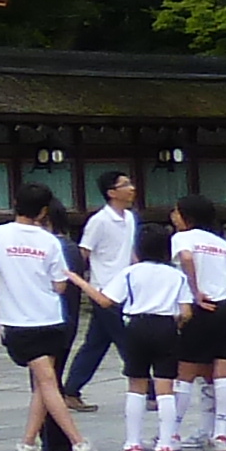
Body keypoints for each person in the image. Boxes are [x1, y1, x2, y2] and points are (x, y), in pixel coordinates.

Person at [0, 182, 88, 451]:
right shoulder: (50, 241)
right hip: (50, 318)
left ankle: (73, 442)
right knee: (46, 381)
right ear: (42, 211)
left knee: (45, 382)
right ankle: (34, 442)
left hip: (17, 319)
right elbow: (60, 285)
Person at [165, 198, 226, 451]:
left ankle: (171, 433)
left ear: (186, 216)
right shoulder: (222, 243)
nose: (173, 215)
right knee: (221, 374)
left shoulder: (183, 237)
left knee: (185, 375)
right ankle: (222, 434)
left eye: (176, 211)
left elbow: (187, 258)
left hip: (202, 308)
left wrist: (195, 290)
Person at [58, 169, 141, 411]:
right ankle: (149, 390)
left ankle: (71, 390)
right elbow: (83, 253)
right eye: (125, 184)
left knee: (96, 343)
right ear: (111, 192)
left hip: (125, 288)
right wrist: (79, 285)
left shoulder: (130, 218)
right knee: (128, 340)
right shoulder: (99, 221)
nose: (131, 188)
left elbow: (129, 252)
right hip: (104, 290)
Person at [104, 234, 191, 451]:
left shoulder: (131, 272)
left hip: (137, 325)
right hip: (166, 325)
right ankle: (165, 445)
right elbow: (186, 312)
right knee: (166, 387)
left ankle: (132, 444)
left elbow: (107, 300)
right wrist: (176, 324)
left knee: (136, 384)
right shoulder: (177, 275)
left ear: (138, 250)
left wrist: (79, 281)